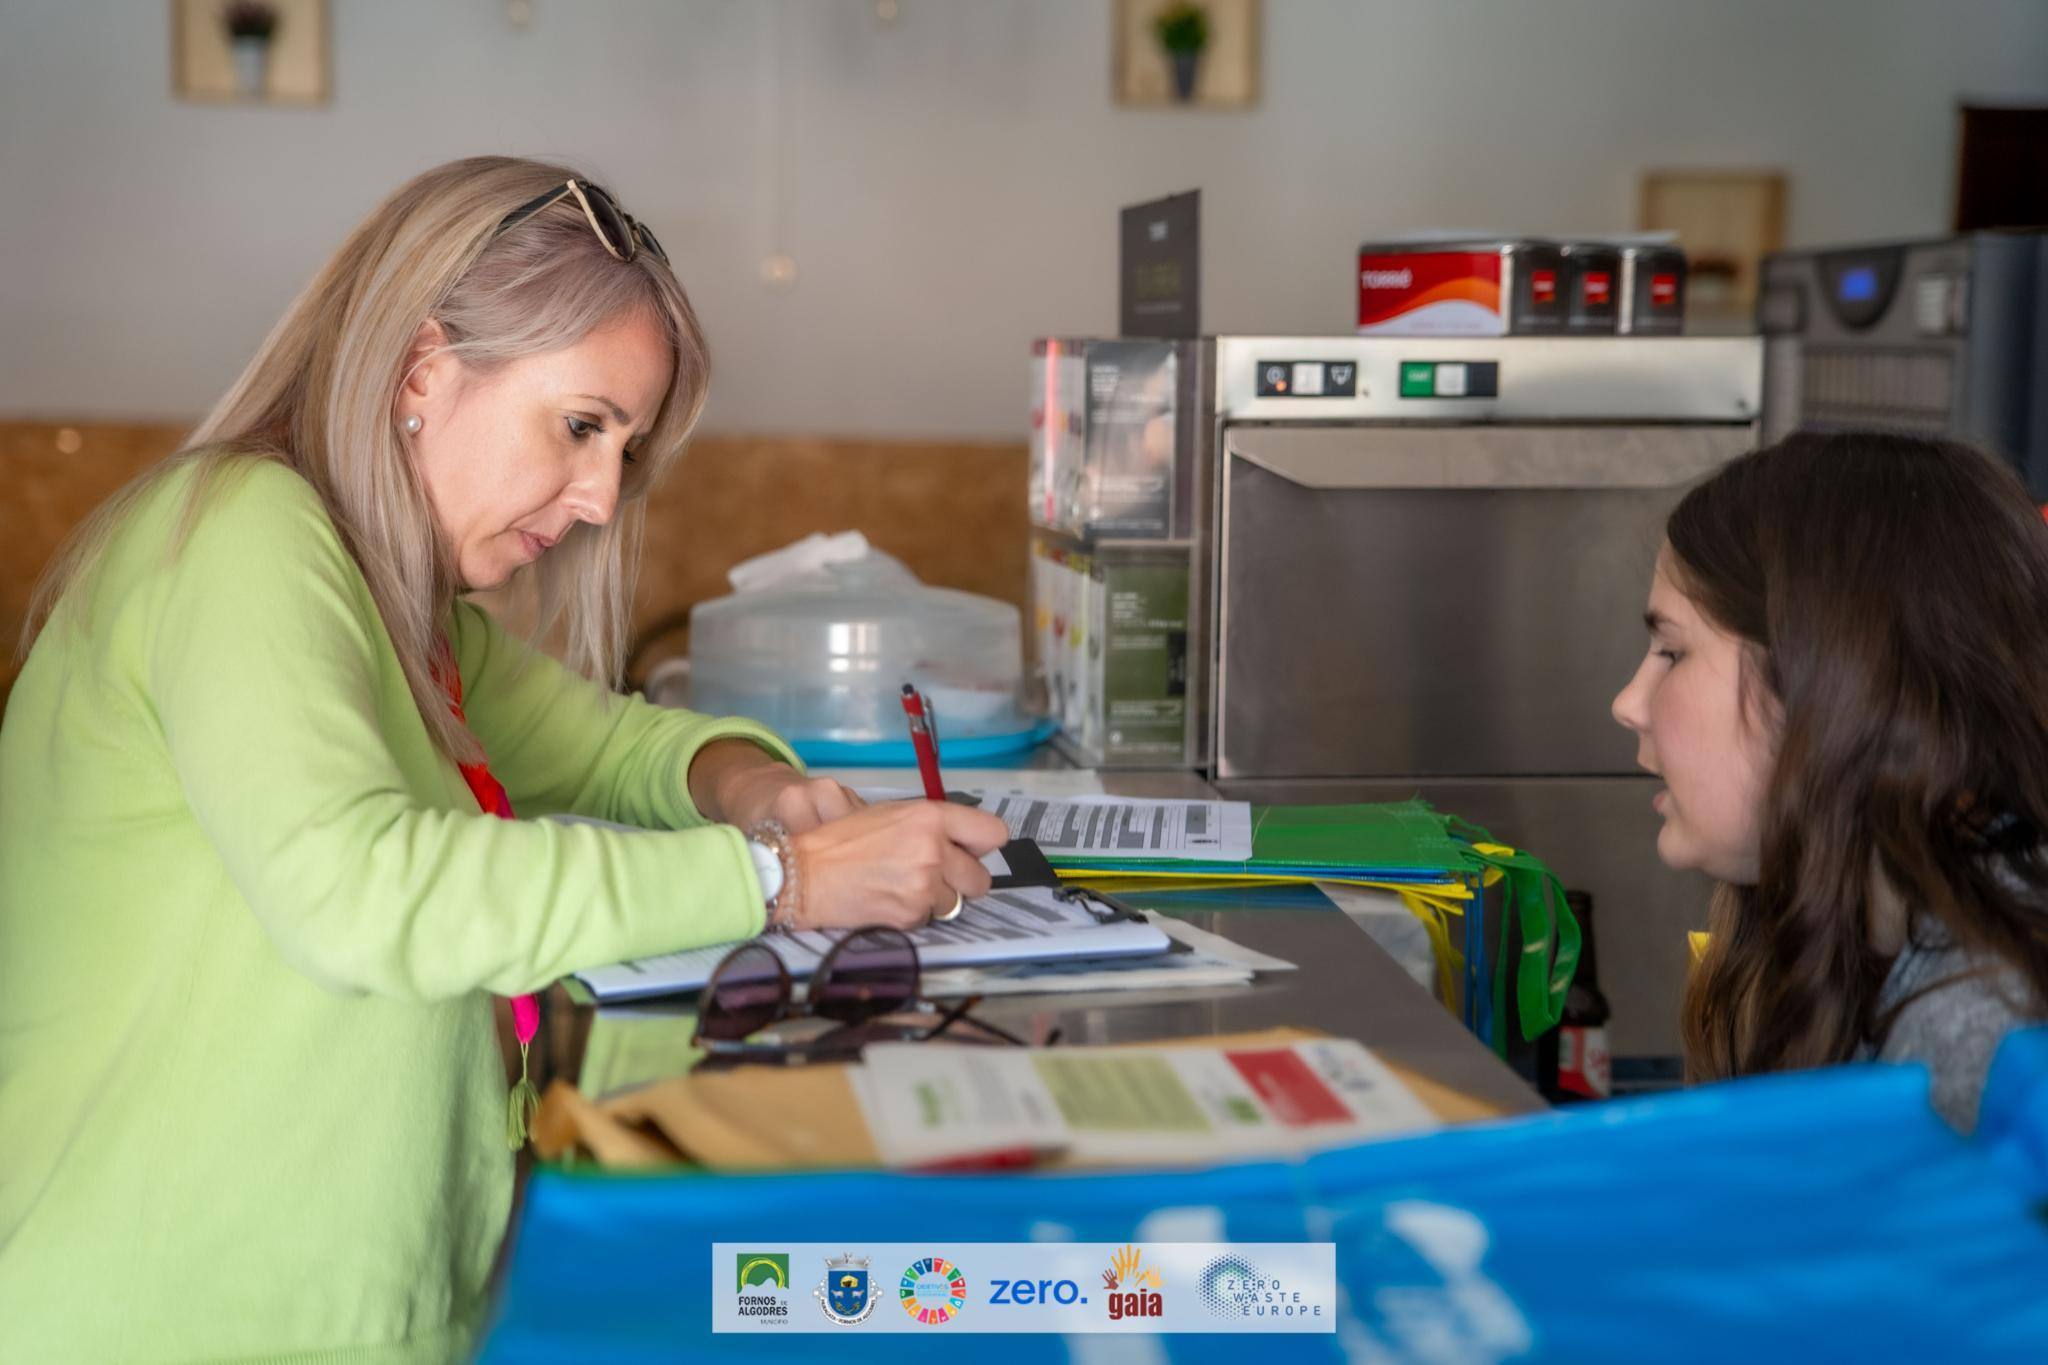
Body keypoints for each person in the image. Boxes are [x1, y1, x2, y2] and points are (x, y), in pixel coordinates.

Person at [0, 156, 1007, 1362]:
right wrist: (778, 879)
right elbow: (360, 895)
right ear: (424, 368)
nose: (598, 498)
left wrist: (761, 790)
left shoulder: (402, 609)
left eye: (623, 451)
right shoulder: (237, 537)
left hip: (355, 1309)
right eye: (582, 426)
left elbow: (614, 745)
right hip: (169, 1318)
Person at [1612, 430, 2048, 1132]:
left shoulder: (1979, 1040)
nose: (1629, 702)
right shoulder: (1884, 938)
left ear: (1834, 680)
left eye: (1672, 650)